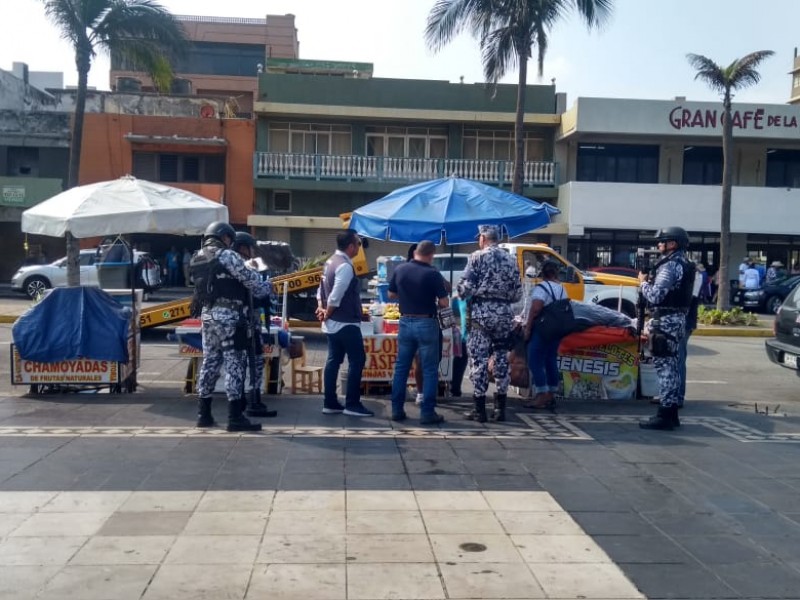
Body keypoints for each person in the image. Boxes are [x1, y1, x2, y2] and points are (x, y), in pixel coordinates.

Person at [191, 221, 272, 432]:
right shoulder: (227, 255)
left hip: (207, 316)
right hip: (229, 317)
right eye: (229, 239)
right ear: (224, 237)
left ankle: (203, 413)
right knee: (234, 363)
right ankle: (235, 417)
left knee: (210, 362)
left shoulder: (197, 257)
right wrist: (267, 286)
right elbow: (253, 283)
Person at [457, 224, 522, 422]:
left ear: (484, 238)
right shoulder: (511, 259)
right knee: (502, 358)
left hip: (481, 316)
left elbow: (465, 289)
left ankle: (479, 408)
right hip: (504, 314)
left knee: (478, 360)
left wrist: (459, 290)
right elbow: (518, 293)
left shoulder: (476, 257)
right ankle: (500, 408)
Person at [638, 226, 694, 431]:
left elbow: (655, 296)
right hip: (677, 319)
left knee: (665, 369)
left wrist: (643, 283)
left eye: (662, 241)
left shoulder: (670, 266)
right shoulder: (686, 264)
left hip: (665, 321)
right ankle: (671, 414)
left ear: (673, 243)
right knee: (672, 366)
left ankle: (665, 414)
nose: (658, 244)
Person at [387, 240, 449, 424]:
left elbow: (391, 294)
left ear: (415, 252)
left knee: (401, 368)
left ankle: (397, 410)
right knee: (429, 369)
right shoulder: (432, 273)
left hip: (405, 321)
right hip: (426, 322)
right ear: (431, 255)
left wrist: (407, 296)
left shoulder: (400, 269)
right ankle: (427, 412)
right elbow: (444, 302)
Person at [315, 229, 373, 417]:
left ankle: (330, 402)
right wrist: (327, 312)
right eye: (357, 244)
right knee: (357, 360)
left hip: (333, 324)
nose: (359, 247)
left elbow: (320, 289)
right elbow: (335, 295)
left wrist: (321, 309)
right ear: (350, 246)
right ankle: (352, 404)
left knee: (334, 360)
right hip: (345, 322)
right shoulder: (345, 266)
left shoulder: (330, 262)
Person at [232, 231, 277, 419]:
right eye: (251, 248)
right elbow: (258, 291)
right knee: (252, 362)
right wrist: (270, 286)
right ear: (243, 248)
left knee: (245, 363)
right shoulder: (243, 268)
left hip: (242, 322)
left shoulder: (232, 266)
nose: (253, 252)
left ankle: (248, 400)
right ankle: (252, 401)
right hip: (247, 323)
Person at [523, 260, 567, 409]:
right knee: (550, 360)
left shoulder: (541, 288)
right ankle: (551, 394)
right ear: (555, 273)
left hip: (542, 330)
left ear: (543, 274)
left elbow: (535, 309)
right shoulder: (562, 289)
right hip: (556, 330)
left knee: (534, 360)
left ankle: (542, 394)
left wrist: (528, 328)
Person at [677, 260, 703, 409]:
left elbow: (689, 299)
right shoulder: (692, 276)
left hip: (685, 321)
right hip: (683, 321)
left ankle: (678, 396)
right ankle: (671, 394)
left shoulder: (695, 277)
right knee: (674, 359)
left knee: (679, 358)